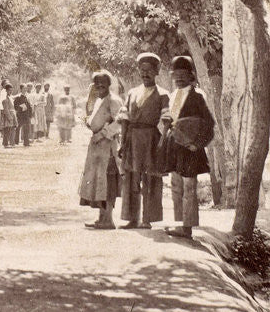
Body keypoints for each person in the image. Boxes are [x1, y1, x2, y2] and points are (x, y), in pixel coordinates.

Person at [159, 56, 215, 238]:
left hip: (190, 149)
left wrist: (197, 144)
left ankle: (188, 227)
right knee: (176, 185)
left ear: (191, 76)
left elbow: (208, 123)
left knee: (189, 187)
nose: (179, 78)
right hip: (175, 146)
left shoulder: (197, 96)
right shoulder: (173, 95)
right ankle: (178, 224)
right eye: (176, 74)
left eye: (183, 74)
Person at [117, 52, 170, 229]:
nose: (145, 74)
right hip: (133, 138)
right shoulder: (132, 93)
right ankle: (132, 218)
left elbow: (166, 121)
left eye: (149, 70)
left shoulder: (163, 94)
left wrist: (163, 143)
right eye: (142, 70)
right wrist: (122, 142)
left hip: (151, 140)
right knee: (131, 179)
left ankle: (147, 219)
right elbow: (124, 119)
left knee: (150, 180)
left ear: (156, 72)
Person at [78, 71, 124, 229]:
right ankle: (101, 218)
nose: (100, 87)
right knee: (98, 182)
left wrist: (104, 133)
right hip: (96, 148)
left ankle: (108, 219)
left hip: (108, 148)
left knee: (108, 182)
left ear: (109, 84)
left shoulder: (115, 101)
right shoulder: (99, 100)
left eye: (102, 84)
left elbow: (120, 122)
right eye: (97, 85)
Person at [13, 82, 33, 147]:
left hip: (26, 115)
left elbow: (29, 106)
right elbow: (15, 106)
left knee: (26, 129)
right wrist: (22, 107)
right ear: (21, 89)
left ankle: (26, 142)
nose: (25, 89)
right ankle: (16, 141)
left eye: (26, 88)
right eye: (24, 88)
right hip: (20, 115)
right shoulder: (18, 97)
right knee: (18, 128)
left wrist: (30, 114)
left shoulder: (27, 97)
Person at [0, 82, 17, 147]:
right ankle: (5, 144)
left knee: (12, 129)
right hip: (8, 115)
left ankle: (12, 143)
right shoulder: (5, 99)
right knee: (7, 129)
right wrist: (9, 117)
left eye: (11, 90)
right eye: (9, 90)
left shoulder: (11, 98)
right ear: (6, 90)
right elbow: (6, 110)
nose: (11, 92)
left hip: (12, 115)